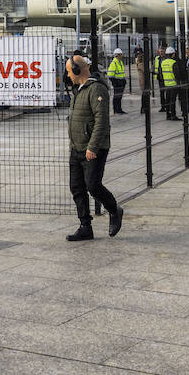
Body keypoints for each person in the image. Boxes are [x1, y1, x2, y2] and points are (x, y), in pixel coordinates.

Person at [64, 55, 123, 240]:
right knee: (77, 188)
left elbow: (101, 121)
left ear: (77, 70)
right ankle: (85, 226)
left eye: (68, 71)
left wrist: (93, 147)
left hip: (92, 148)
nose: (68, 75)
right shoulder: (79, 90)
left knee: (93, 185)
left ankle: (114, 210)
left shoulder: (96, 88)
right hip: (76, 147)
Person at [158, 47, 179, 119]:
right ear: (173, 54)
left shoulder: (163, 62)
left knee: (167, 100)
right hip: (173, 84)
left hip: (166, 84)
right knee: (172, 101)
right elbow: (176, 74)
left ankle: (168, 115)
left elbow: (160, 74)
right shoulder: (174, 63)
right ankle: (173, 115)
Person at [106, 48, 127, 114]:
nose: (122, 56)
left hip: (121, 82)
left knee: (119, 97)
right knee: (116, 97)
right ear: (117, 55)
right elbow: (110, 75)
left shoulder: (120, 62)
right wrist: (115, 82)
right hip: (118, 83)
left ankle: (119, 109)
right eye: (120, 54)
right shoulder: (114, 63)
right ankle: (116, 109)